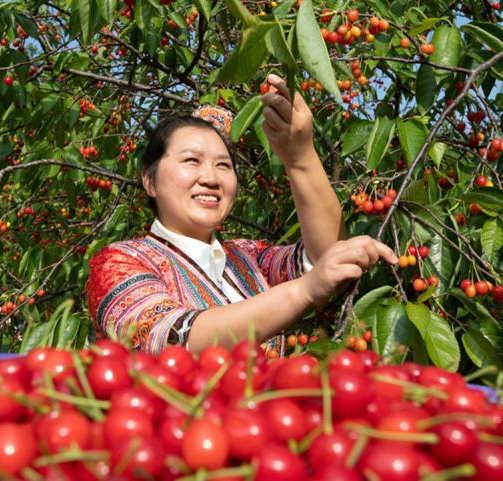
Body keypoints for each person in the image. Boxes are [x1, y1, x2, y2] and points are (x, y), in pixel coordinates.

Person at [86, 74, 398, 357]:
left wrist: (300, 156)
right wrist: (302, 291)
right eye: (192, 161)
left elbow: (323, 257)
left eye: (223, 165)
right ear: (150, 181)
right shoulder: (118, 262)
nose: (210, 177)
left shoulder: (247, 258)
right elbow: (171, 339)